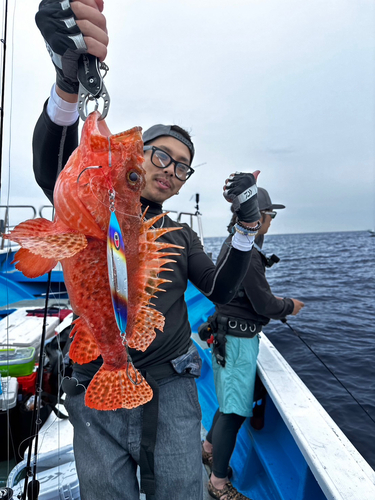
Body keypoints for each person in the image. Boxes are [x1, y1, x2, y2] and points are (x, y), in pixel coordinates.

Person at [32, 1, 263, 499]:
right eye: (160, 156)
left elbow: (222, 288)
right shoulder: (98, 204)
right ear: (137, 160)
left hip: (171, 386)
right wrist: (68, 85)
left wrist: (245, 229)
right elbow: (54, 167)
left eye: (182, 167)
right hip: (94, 384)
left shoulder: (180, 236)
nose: (170, 170)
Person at [201, 187, 304, 500]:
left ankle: (207, 448)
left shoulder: (235, 246)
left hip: (225, 336)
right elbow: (263, 303)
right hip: (237, 342)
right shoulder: (245, 253)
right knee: (234, 413)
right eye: (270, 215)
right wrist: (289, 306)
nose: (271, 221)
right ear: (258, 217)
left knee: (227, 402)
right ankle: (218, 484)